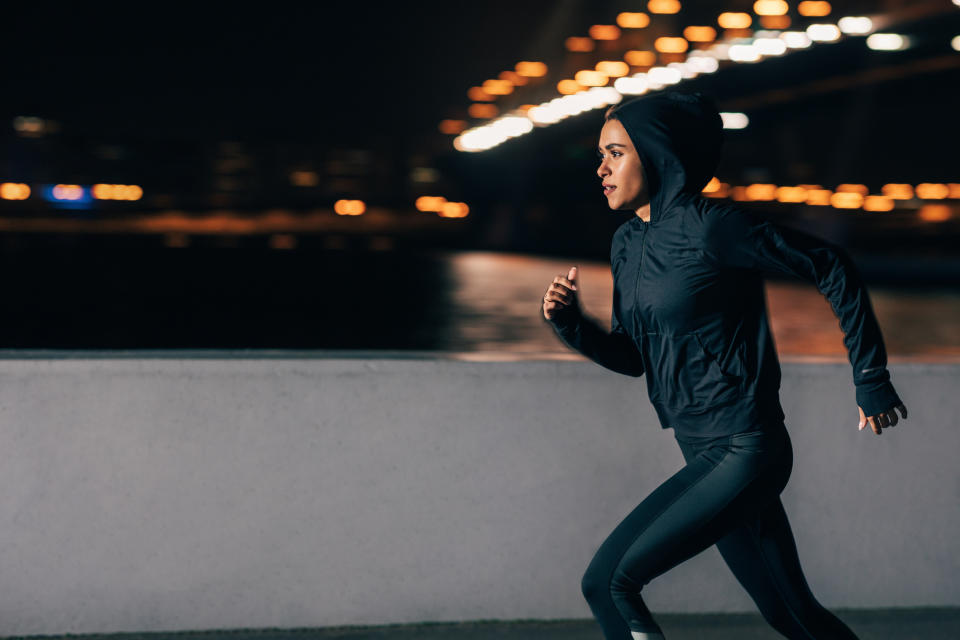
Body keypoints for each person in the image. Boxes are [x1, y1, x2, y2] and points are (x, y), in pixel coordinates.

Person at [541, 90, 908, 640]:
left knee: (609, 585)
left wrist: (871, 379)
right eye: (600, 155)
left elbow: (830, 265)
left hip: (746, 449)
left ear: (657, 153)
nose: (601, 168)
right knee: (794, 615)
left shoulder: (711, 226)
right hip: (699, 448)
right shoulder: (626, 245)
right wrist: (572, 325)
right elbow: (634, 359)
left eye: (615, 153)